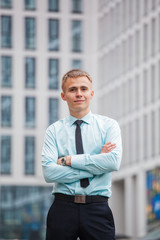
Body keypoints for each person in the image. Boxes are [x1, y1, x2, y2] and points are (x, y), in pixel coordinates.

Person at [41, 69, 122, 240]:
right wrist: (97, 165)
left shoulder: (109, 126)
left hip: (97, 209)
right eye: (72, 89)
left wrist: (69, 160)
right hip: (62, 208)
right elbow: (49, 173)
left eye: (83, 89)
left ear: (91, 93)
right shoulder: (53, 131)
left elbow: (113, 162)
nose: (79, 94)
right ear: (63, 96)